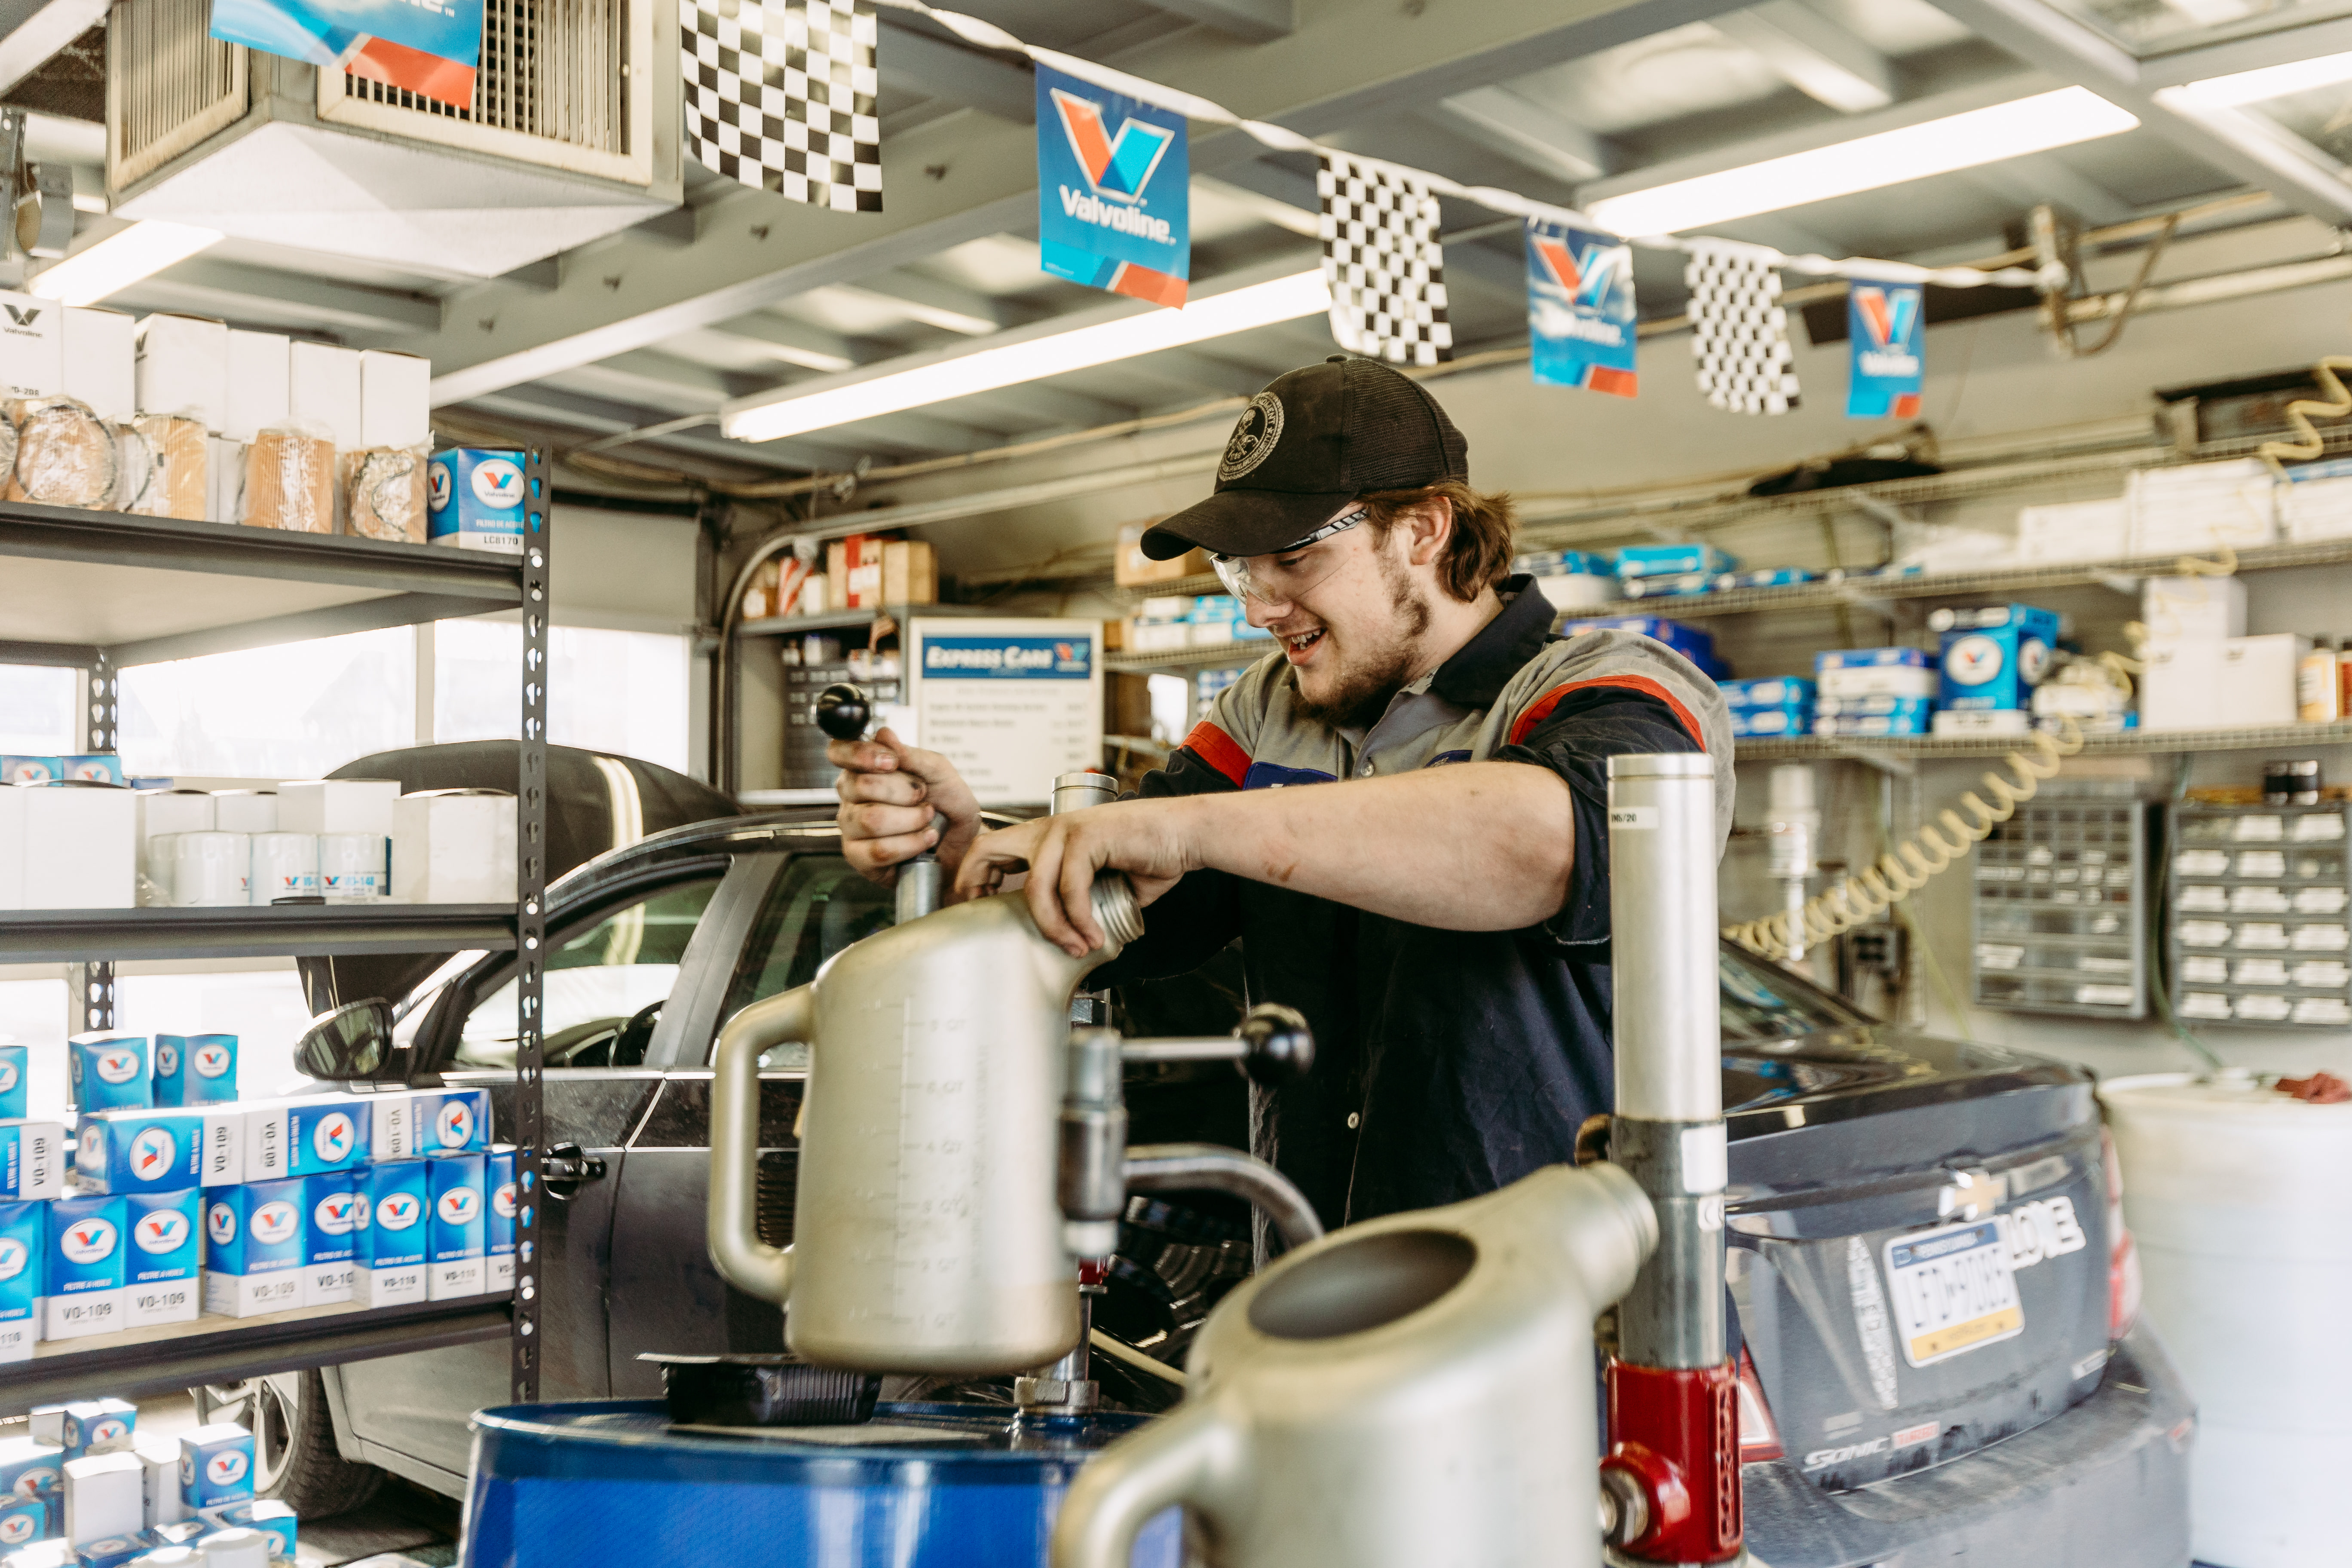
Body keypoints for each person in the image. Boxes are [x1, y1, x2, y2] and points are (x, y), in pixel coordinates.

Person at [830, 355, 1733, 1231]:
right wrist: (970, 849)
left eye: (1293, 560)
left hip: (1541, 1319)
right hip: (1309, 1285)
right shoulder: (1269, 709)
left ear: (1422, 531)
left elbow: (1548, 847)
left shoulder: (1614, 689)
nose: (1259, 608)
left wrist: (1191, 827)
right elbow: (1144, 913)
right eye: (1241, 570)